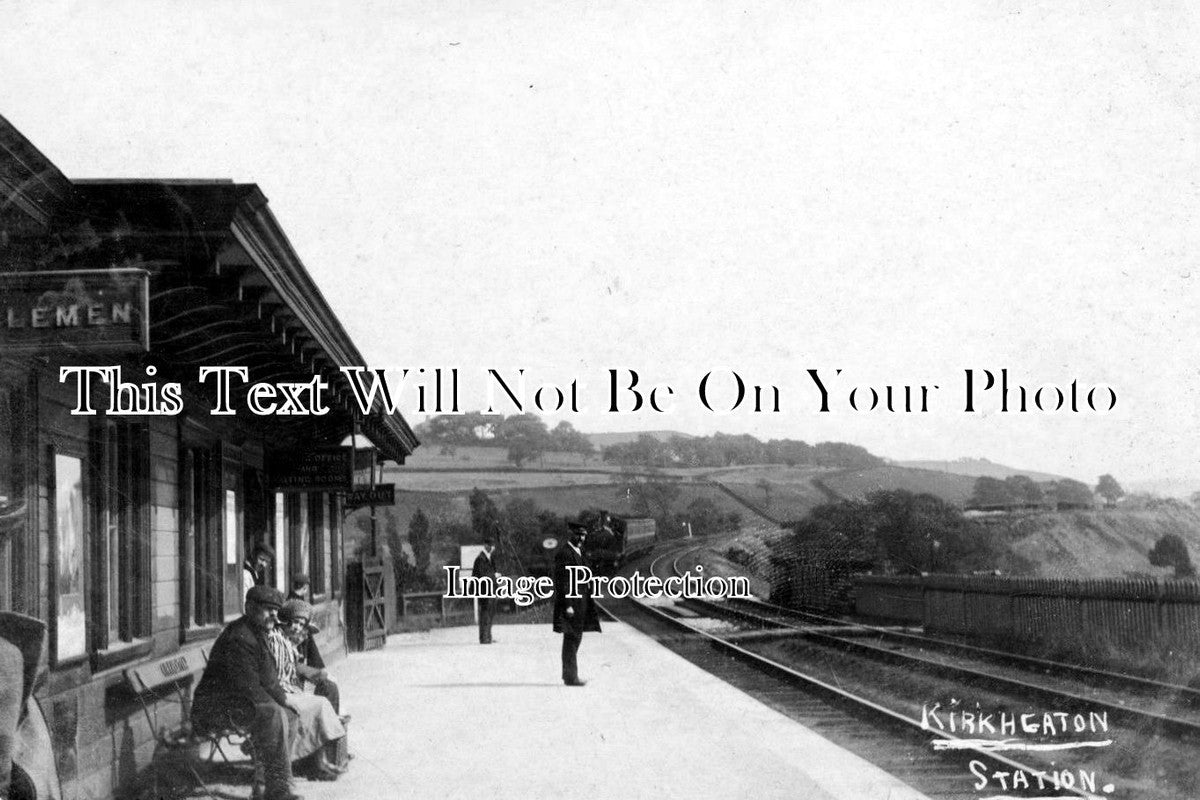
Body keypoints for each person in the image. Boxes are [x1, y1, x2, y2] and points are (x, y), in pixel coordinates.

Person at [192, 586, 302, 800]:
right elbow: (248, 688)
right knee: (273, 714)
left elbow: (269, 678)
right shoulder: (240, 637)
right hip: (215, 709)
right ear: (249, 608)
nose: (273, 614)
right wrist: (276, 705)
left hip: (237, 702)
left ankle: (269, 784)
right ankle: (277, 790)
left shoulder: (257, 632)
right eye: (267, 609)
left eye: (275, 610)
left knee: (289, 713)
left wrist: (285, 699)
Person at [266, 603, 346, 781]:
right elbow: (276, 675)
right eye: (295, 622)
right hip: (278, 693)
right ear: (285, 620)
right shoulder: (275, 640)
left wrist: (315, 674)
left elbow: (294, 668)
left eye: (302, 625)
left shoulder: (286, 641)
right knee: (320, 703)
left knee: (322, 699)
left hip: (287, 689)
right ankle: (317, 762)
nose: (298, 628)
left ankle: (319, 760)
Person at [553, 521, 601, 686]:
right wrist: (568, 605)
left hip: (582, 602)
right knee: (572, 639)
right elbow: (563, 582)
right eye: (578, 534)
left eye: (583, 535)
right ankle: (571, 677)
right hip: (572, 603)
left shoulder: (579, 552)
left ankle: (570, 675)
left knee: (576, 638)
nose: (581, 538)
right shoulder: (565, 554)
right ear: (571, 534)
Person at [472, 538, 499, 644]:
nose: (493, 548)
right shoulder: (480, 559)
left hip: (490, 590)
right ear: (486, 546)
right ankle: (484, 637)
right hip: (484, 590)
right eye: (491, 545)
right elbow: (483, 575)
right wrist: (494, 575)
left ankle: (487, 636)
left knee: (489, 613)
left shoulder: (488, 558)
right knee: (485, 613)